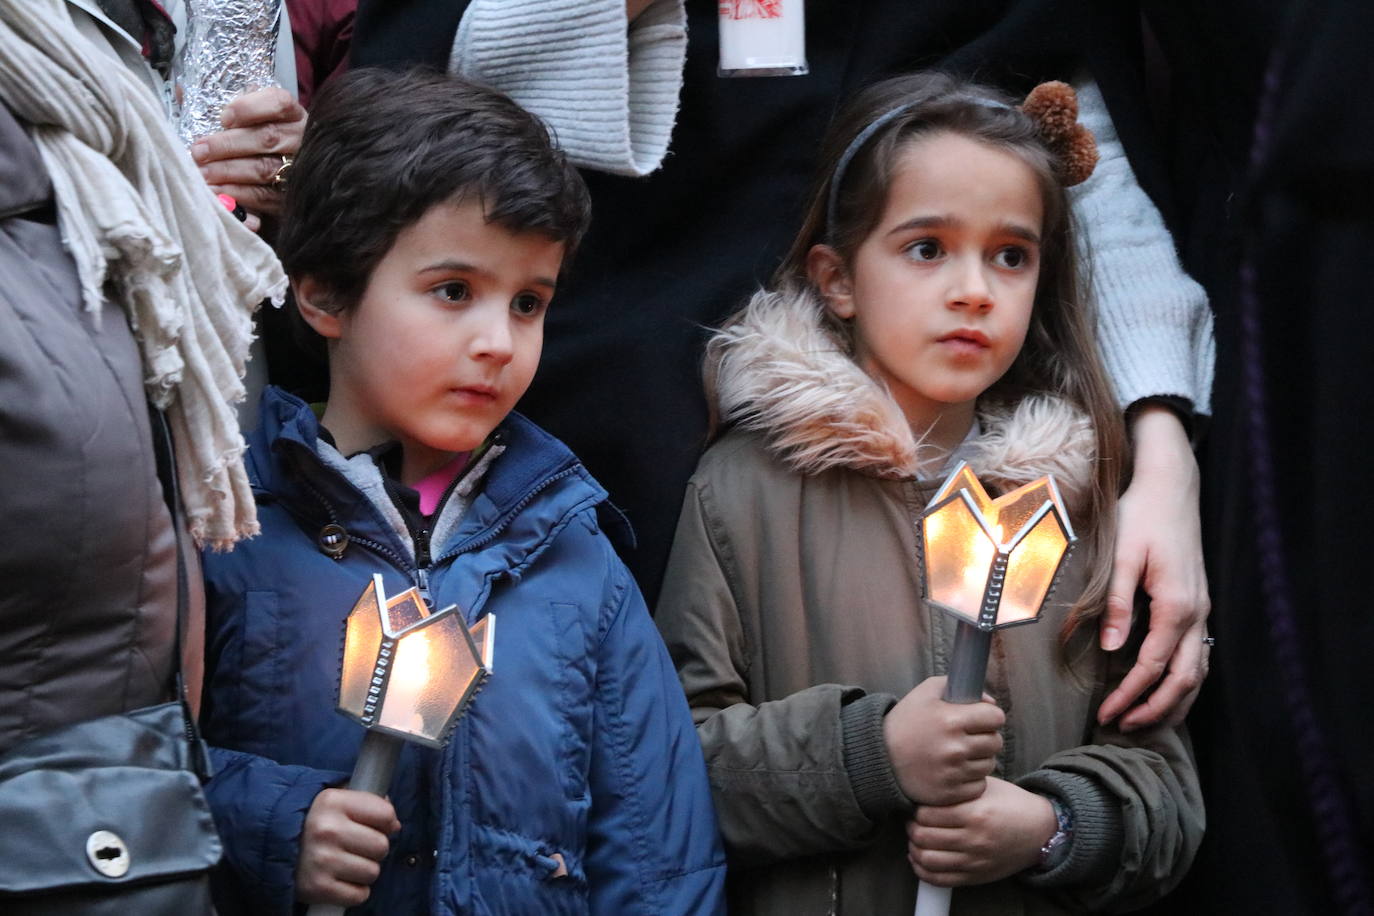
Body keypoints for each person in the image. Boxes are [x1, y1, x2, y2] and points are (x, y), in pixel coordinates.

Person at [350, 0, 1214, 735]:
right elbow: (427, 110)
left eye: (1008, 264)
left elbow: (1065, 155)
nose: (978, 287)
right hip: (596, 419)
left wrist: (1163, 454)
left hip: (924, 466)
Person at [654, 73, 1203, 915]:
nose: (975, 288)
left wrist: (1053, 826)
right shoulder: (742, 490)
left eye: (1010, 255)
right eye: (928, 248)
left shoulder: (1081, 502)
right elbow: (664, 770)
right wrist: (869, 756)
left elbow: (1165, 786)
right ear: (837, 279)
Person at [198, 68, 726, 915]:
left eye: (528, 302)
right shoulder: (228, 522)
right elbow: (128, 773)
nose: (497, 341)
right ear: (327, 292)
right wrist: (275, 825)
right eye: (454, 292)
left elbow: (657, 854)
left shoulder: (571, 551)